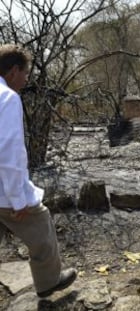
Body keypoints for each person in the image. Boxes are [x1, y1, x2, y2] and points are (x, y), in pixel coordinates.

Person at [0, 44, 77, 298]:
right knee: (41, 221)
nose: (26, 79)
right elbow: (9, 153)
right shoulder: (8, 98)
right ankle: (48, 281)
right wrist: (17, 199)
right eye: (25, 73)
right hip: (3, 192)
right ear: (12, 71)